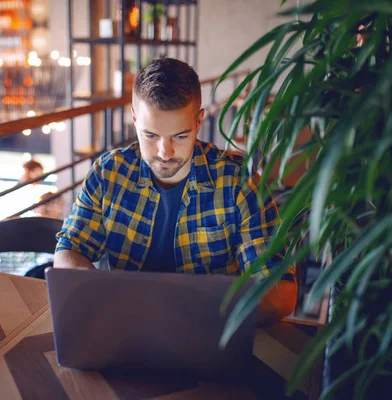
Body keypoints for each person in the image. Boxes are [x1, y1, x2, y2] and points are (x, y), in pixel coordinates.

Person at [55, 58, 297, 324]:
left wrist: (184, 317)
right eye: (150, 135)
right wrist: (106, 299)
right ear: (134, 119)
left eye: (180, 136)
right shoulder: (107, 173)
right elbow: (69, 252)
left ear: (199, 121)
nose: (164, 153)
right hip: (123, 329)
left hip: (208, 340)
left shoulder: (239, 183)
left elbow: (280, 295)